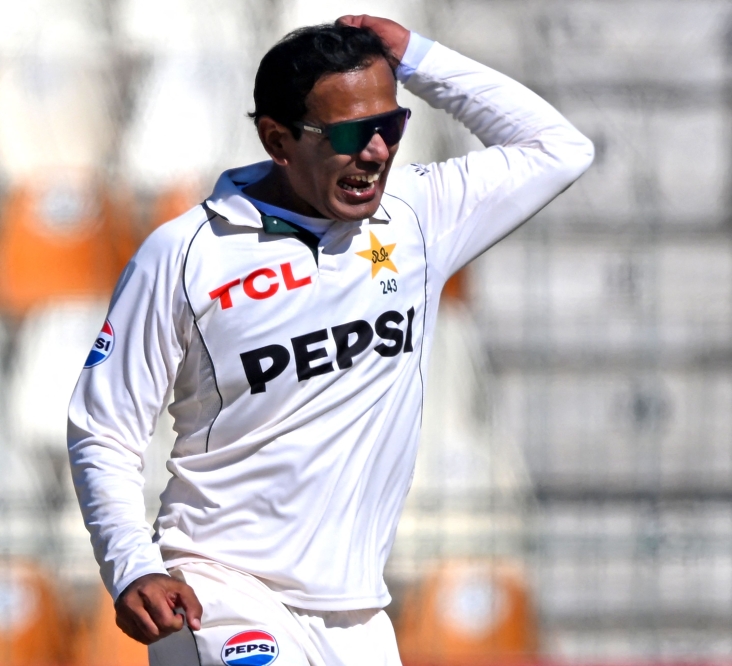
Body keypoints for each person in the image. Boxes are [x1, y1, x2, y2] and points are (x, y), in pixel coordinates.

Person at [68, 14, 592, 664]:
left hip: (359, 614)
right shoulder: (182, 255)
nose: (375, 151)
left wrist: (418, 57)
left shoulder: (417, 215)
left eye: (389, 126)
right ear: (277, 140)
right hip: (221, 593)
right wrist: (131, 565)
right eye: (348, 133)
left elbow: (560, 148)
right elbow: (104, 428)